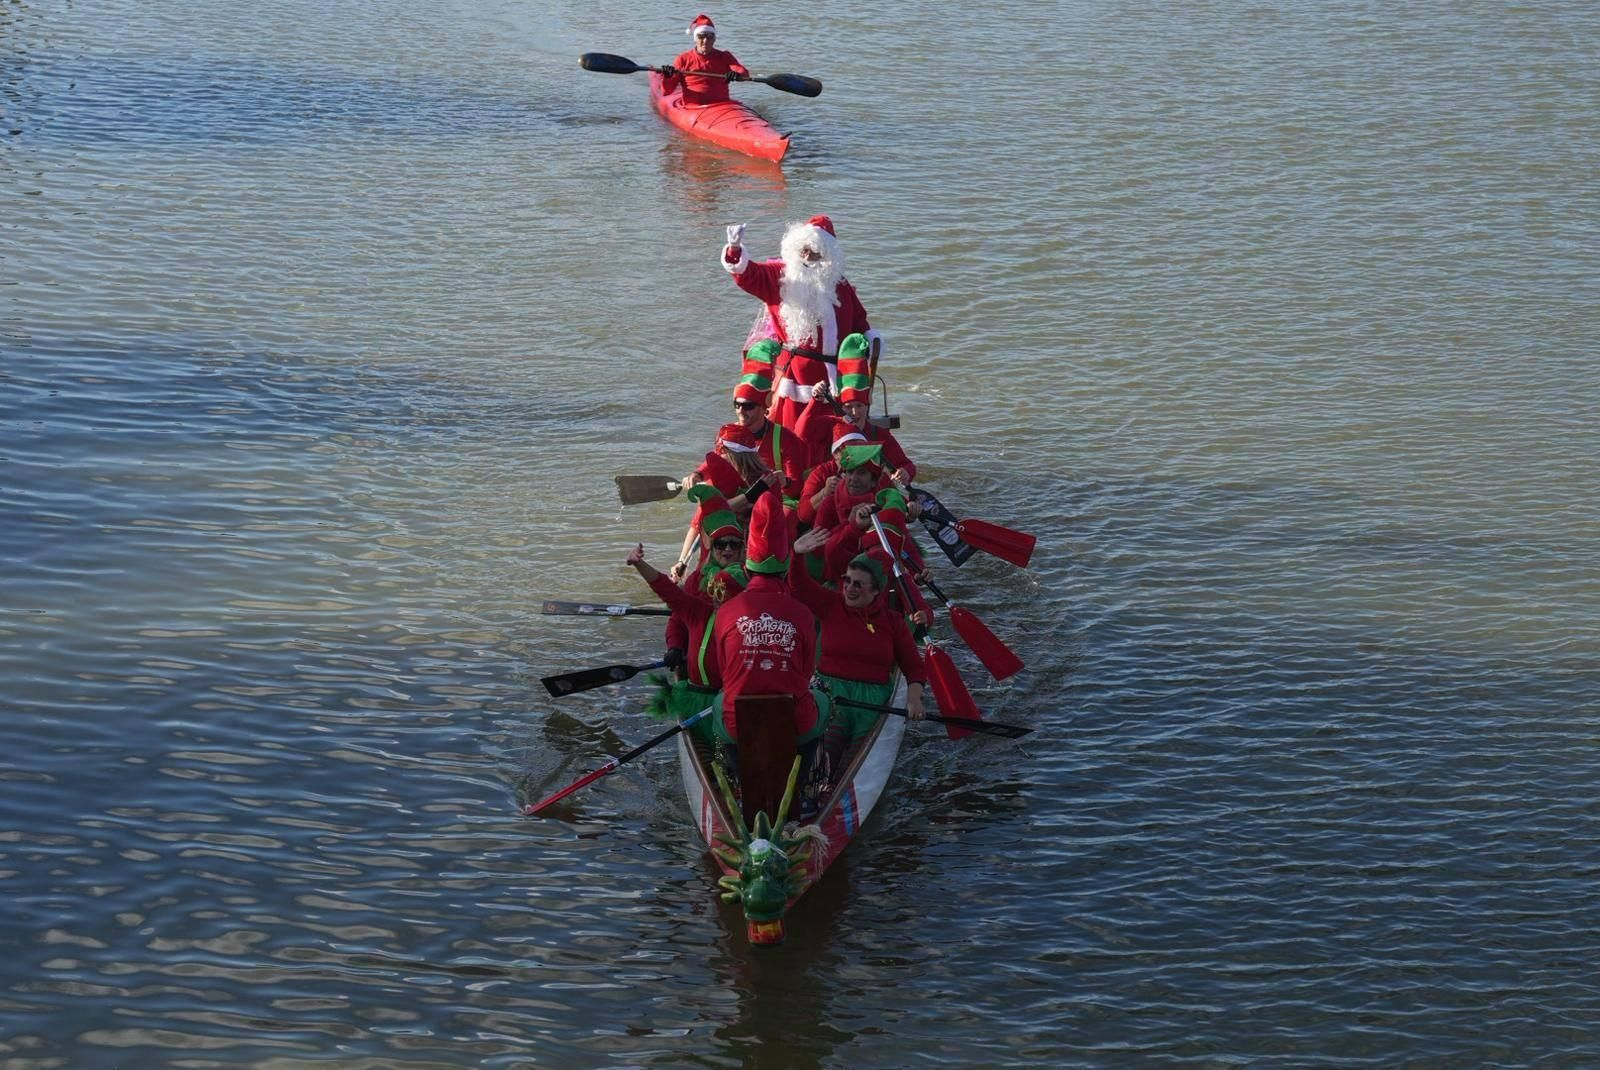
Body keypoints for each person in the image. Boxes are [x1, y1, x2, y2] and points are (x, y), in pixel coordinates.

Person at [721, 215, 883, 431]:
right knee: (792, 429)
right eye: (804, 250)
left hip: (833, 374)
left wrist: (870, 341)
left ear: (826, 254)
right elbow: (749, 275)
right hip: (793, 374)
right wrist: (735, 249)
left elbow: (859, 321)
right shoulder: (779, 277)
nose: (808, 256)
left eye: (815, 251)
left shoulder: (840, 285)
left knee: (830, 430)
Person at [789, 528, 928, 779]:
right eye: (847, 581)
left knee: (851, 767)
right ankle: (816, 791)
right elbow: (799, 587)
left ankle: (842, 788)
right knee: (823, 761)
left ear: (876, 591)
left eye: (858, 585)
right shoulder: (831, 604)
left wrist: (915, 699)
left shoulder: (893, 622)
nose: (849, 589)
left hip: (872, 702)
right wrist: (797, 555)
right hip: (831, 695)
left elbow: (914, 668)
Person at [712, 492, 824, 787]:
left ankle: (737, 779)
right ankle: (803, 783)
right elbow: (808, 670)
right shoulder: (802, 613)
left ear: (747, 568)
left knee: (718, 703)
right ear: (786, 568)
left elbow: (724, 670)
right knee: (822, 701)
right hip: (795, 722)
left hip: (740, 724)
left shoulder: (725, 612)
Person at [626, 487, 747, 744]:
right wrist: (675, 646)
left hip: (731, 697)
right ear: (712, 547)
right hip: (698, 691)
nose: (727, 550)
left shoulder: (747, 616)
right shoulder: (697, 602)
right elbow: (672, 600)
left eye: (733, 545)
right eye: (721, 544)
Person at [794, 332, 917, 488]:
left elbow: (907, 465)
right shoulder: (830, 426)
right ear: (840, 406)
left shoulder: (879, 434)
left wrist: (905, 472)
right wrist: (815, 401)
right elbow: (801, 431)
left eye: (859, 406)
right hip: (832, 492)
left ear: (867, 405)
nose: (854, 412)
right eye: (848, 406)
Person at [659, 14, 750, 107]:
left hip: (722, 106)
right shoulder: (683, 59)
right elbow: (666, 91)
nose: (705, 40)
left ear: (714, 39)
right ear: (695, 38)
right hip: (693, 108)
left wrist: (737, 75)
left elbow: (745, 74)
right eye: (701, 36)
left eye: (709, 36)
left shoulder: (725, 56)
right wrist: (668, 77)